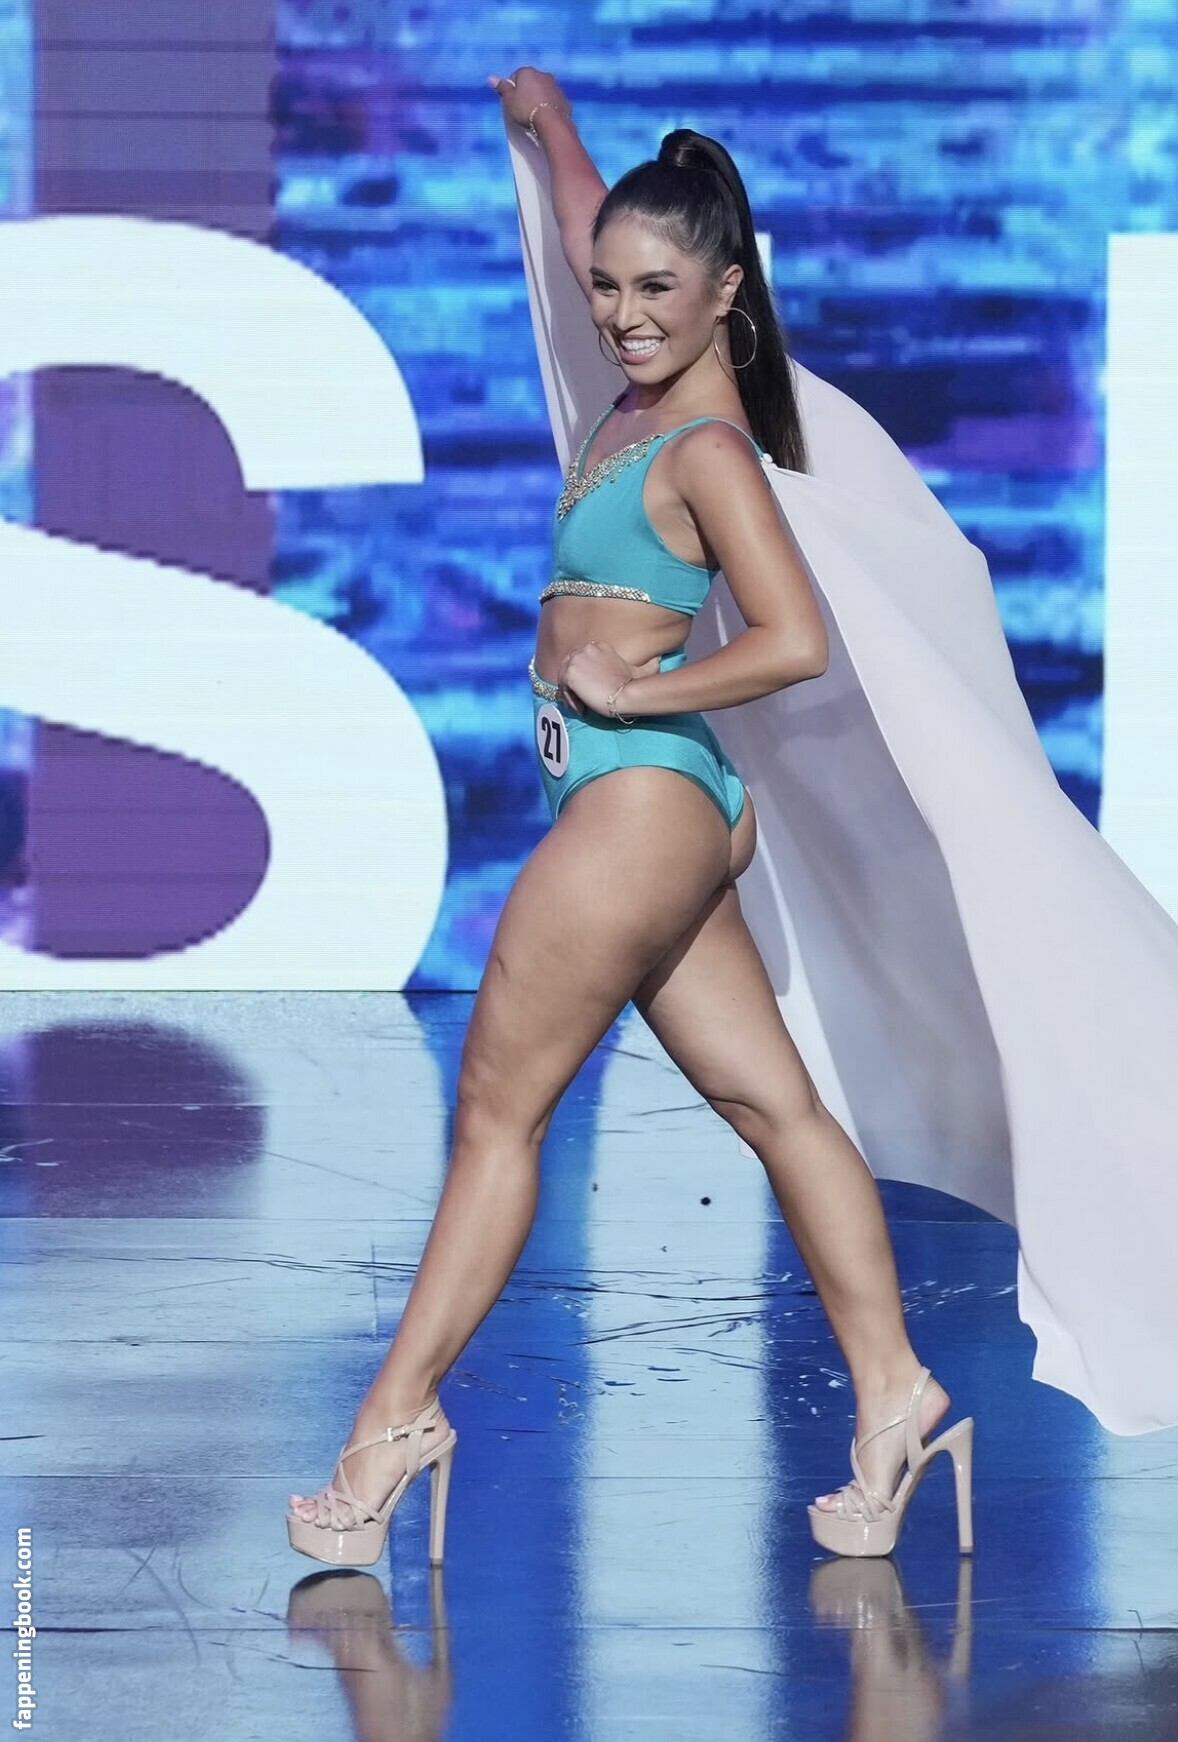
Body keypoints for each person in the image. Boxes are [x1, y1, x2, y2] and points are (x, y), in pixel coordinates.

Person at [284, 65, 975, 1568]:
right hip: (647, 801)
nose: (618, 313)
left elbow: (793, 638)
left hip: (640, 795)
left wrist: (640, 685)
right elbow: (596, 228)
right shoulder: (638, 386)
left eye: (657, 289)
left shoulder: (707, 447)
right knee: (773, 1107)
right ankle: (895, 1394)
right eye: (605, 288)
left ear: (729, 292)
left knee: (496, 1114)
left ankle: (392, 1423)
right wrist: (550, 132)